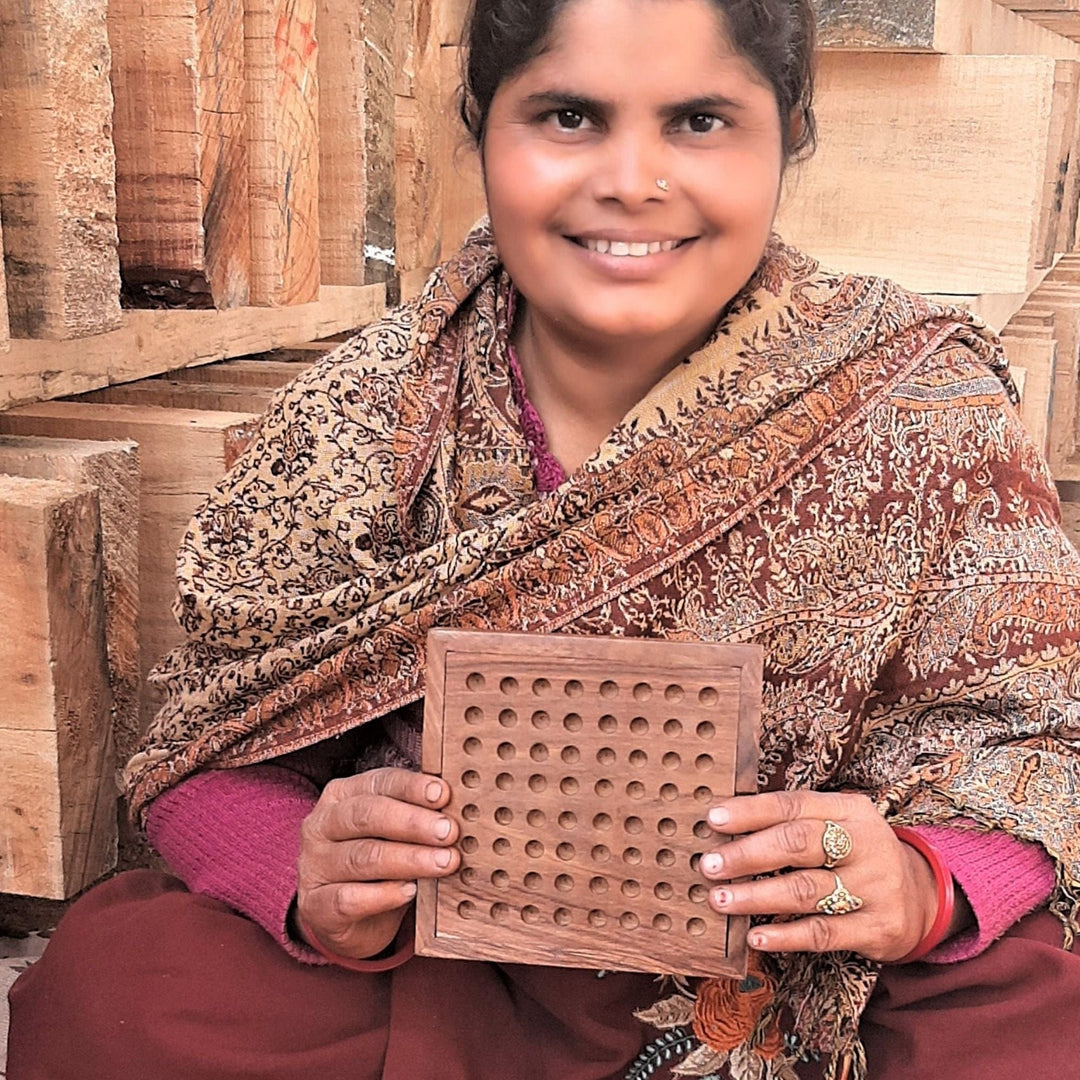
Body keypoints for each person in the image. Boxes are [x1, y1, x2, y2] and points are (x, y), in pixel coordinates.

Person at [8, 0, 1080, 1077]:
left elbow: (1034, 740)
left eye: (700, 122)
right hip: (447, 980)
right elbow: (209, 740)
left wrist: (923, 884)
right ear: (480, 129)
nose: (631, 178)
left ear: (787, 131)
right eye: (568, 116)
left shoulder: (910, 401)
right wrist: (310, 875)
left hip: (790, 974)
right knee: (119, 983)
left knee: (1029, 1012)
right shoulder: (364, 418)